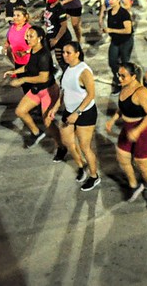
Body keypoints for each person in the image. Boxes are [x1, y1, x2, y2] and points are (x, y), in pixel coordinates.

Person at [105, 62, 147, 210]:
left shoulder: (141, 92)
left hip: (145, 130)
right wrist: (113, 119)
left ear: (134, 76)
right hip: (128, 128)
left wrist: (137, 131)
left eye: (123, 76)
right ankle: (134, 185)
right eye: (119, 75)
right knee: (122, 157)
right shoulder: (125, 87)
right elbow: (124, 107)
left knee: (142, 164)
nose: (120, 78)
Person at [49, 41, 101, 190]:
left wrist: (77, 113)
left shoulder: (84, 71)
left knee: (85, 147)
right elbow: (63, 91)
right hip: (69, 111)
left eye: (68, 53)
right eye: (63, 52)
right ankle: (81, 165)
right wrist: (55, 107)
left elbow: (91, 95)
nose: (65, 55)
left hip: (85, 113)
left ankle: (94, 176)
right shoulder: (67, 69)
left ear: (77, 53)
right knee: (67, 141)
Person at [4, 25, 62, 154]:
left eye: (31, 36)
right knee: (20, 111)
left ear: (40, 38)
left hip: (48, 90)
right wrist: (14, 72)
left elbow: (43, 77)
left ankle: (61, 146)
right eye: (27, 36)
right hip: (37, 90)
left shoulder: (44, 55)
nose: (27, 38)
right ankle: (36, 133)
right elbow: (28, 67)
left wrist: (23, 80)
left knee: (48, 123)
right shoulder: (33, 50)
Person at [102, 0, 134, 94]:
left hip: (125, 42)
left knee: (125, 63)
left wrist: (111, 30)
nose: (109, 1)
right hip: (115, 41)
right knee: (112, 62)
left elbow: (128, 30)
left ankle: (127, 83)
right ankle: (118, 80)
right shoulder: (109, 12)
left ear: (118, 0)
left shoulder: (124, 13)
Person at [44, 0, 72, 71]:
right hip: (50, 35)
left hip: (61, 39)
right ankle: (51, 69)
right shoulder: (49, 4)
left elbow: (64, 26)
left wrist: (56, 39)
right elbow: (48, 13)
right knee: (43, 53)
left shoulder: (60, 9)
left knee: (63, 62)